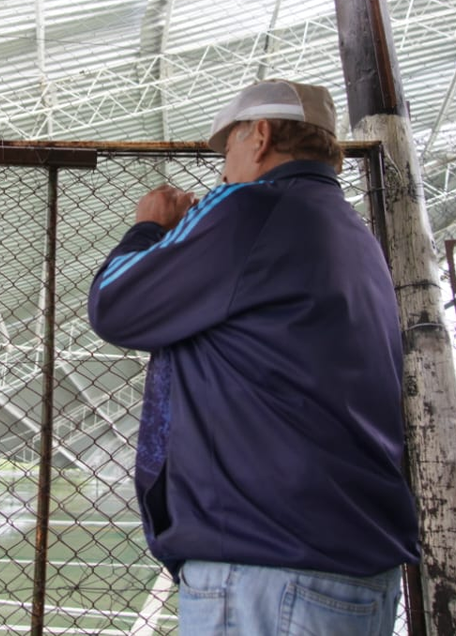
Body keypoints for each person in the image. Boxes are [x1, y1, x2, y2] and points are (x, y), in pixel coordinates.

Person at [87, 79, 420, 635]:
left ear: (260, 135)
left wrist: (148, 227)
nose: (223, 170)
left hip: (268, 568)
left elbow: (115, 305)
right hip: (350, 562)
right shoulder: (350, 231)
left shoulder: (252, 210)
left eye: (229, 149)